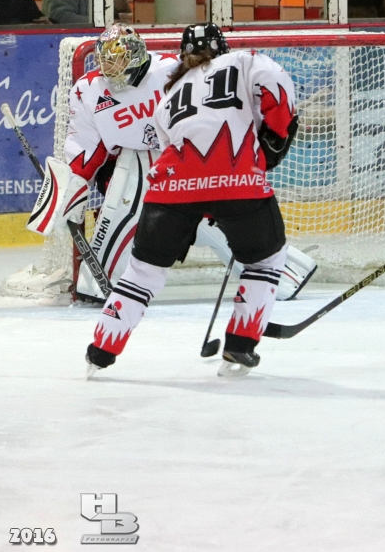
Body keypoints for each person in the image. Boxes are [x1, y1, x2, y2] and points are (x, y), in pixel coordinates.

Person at [29, 24, 316, 302]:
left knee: (214, 216)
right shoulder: (89, 90)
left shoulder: (171, 69)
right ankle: (104, 278)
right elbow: (84, 149)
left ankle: (279, 272)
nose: (112, 68)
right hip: (130, 165)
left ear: (136, 53)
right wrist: (73, 187)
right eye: (107, 61)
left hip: (184, 157)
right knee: (110, 251)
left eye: (119, 59)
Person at [85, 23, 301, 378]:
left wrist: (202, 199)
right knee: (265, 262)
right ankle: (241, 343)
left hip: (170, 187)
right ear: (222, 47)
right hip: (237, 181)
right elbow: (278, 87)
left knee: (142, 274)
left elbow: (170, 145)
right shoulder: (244, 61)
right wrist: (274, 140)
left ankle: (100, 351)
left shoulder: (170, 93)